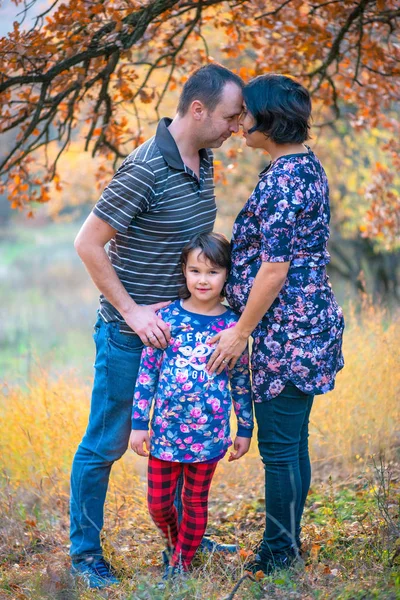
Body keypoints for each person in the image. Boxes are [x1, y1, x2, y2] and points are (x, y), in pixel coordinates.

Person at [70, 64, 244, 589]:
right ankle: (84, 556)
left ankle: (184, 537)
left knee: (181, 443)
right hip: (131, 336)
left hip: (183, 335)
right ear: (197, 110)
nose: (236, 127)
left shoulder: (203, 159)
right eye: (229, 117)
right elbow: (87, 243)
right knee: (106, 444)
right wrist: (130, 310)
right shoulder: (144, 168)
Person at [206, 74, 345, 575]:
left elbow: (274, 267)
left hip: (286, 332)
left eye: (245, 114)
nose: (239, 122)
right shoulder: (298, 167)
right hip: (301, 325)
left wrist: (240, 329)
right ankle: (288, 543)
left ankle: (280, 552)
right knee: (293, 443)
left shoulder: (287, 179)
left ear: (268, 119)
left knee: (281, 450)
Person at [129, 232, 254, 580]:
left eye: (213, 272)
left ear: (226, 274)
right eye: (195, 270)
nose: (203, 279)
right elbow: (147, 375)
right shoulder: (165, 318)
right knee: (158, 504)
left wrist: (245, 428)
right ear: (184, 271)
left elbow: (241, 382)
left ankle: (181, 562)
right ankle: (178, 543)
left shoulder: (233, 326)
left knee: (196, 501)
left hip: (209, 433)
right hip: (165, 432)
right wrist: (140, 423)